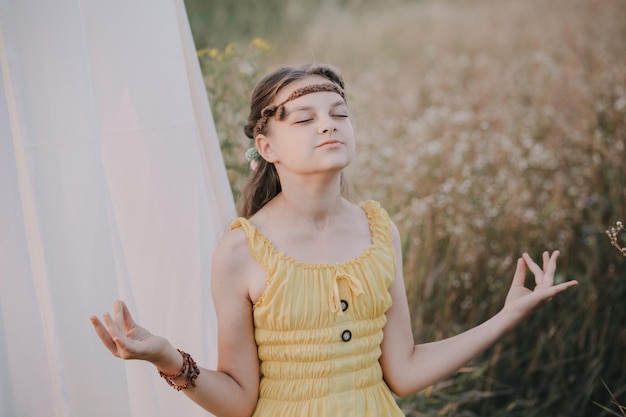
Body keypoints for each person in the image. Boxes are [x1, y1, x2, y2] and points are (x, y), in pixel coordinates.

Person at [90, 63, 579, 417]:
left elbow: (403, 373)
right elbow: (239, 401)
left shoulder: (380, 230)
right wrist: (165, 357)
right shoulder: (241, 250)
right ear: (266, 147)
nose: (328, 124)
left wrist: (507, 316)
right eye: (303, 119)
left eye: (339, 114)